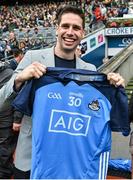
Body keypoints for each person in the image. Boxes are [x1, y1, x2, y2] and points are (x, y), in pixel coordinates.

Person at [0, 5, 125, 179]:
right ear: (57, 28)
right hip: (31, 158)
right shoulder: (32, 58)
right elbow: (2, 102)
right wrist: (20, 79)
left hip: (68, 161)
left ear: (82, 33)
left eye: (76, 28)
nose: (70, 32)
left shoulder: (89, 69)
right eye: (65, 26)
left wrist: (114, 84)